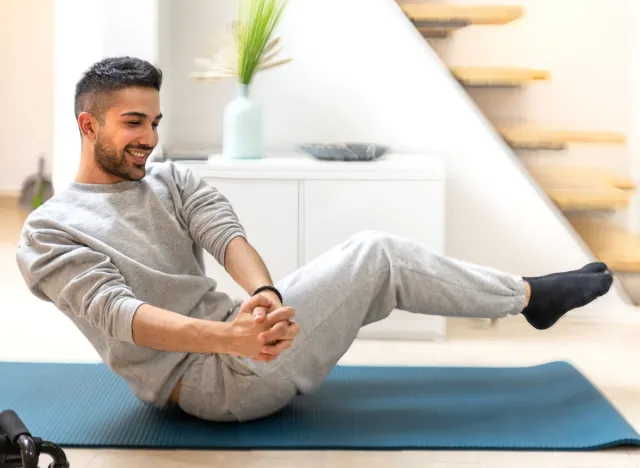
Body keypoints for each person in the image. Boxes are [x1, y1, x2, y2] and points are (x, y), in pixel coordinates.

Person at [15, 56, 614, 423]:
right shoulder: (51, 229)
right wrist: (230, 339)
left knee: (378, 262)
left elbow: (224, 234)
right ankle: (532, 298)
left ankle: (532, 298)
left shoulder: (169, 179)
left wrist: (267, 296)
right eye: (133, 123)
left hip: (240, 343)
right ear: (88, 125)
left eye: (155, 122)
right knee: (376, 254)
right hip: (205, 384)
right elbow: (119, 315)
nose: (149, 137)